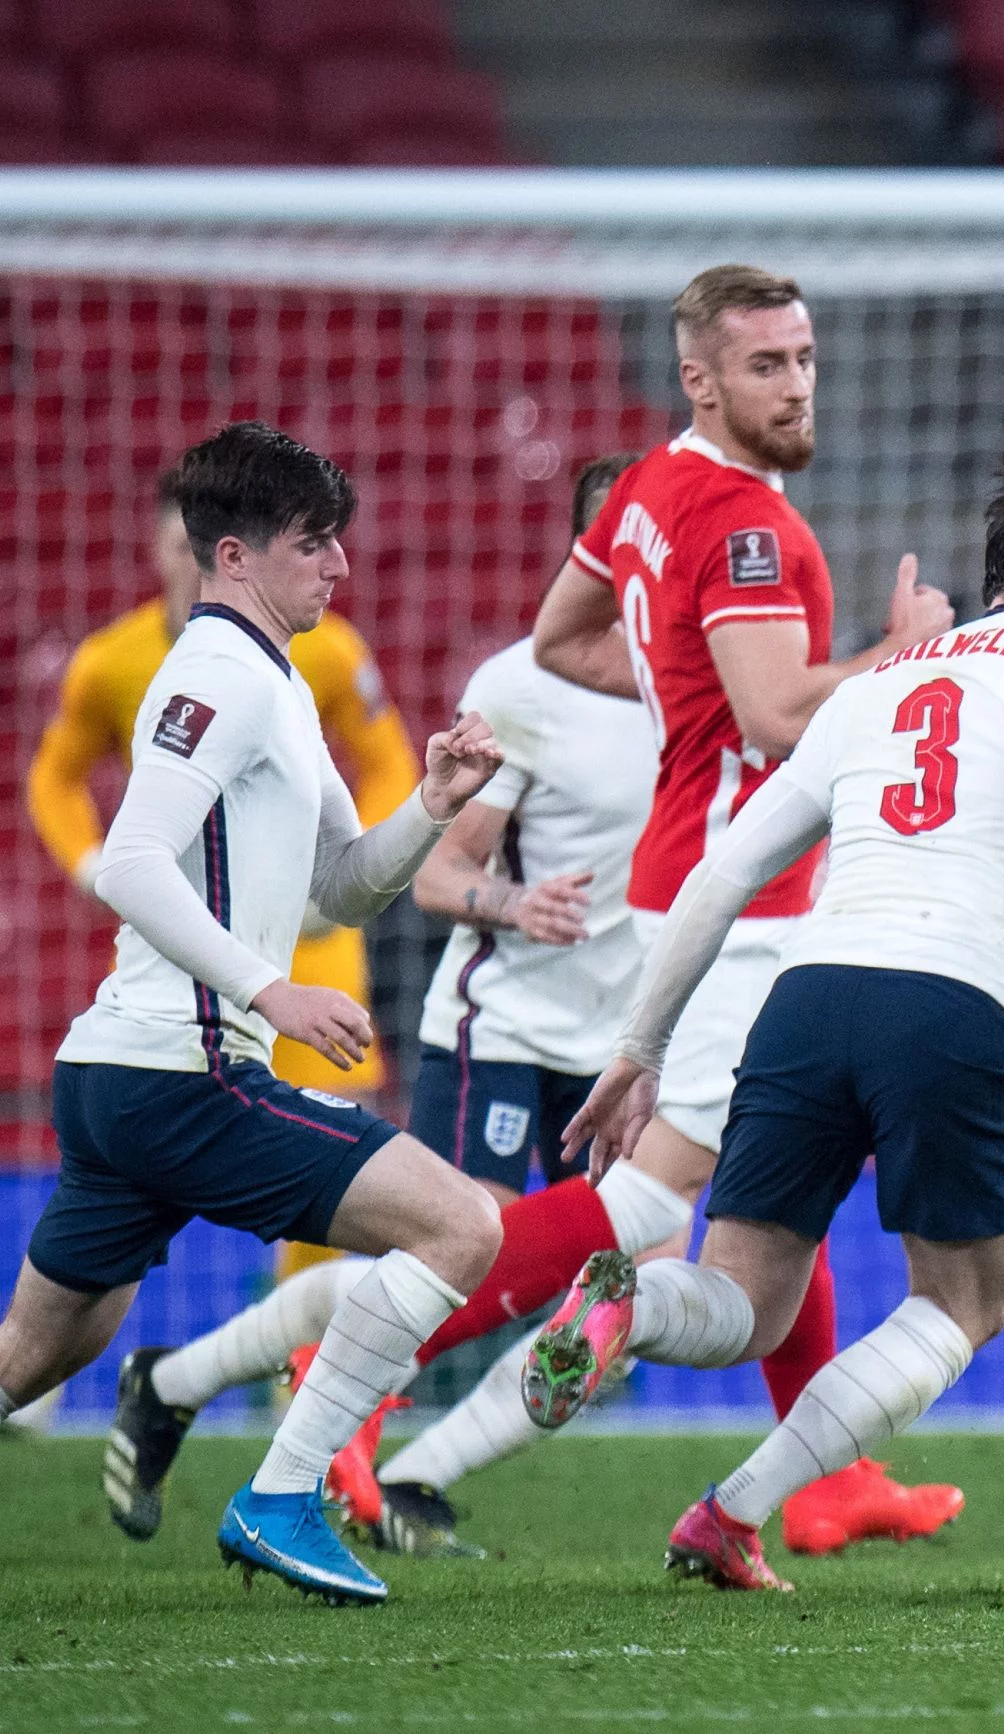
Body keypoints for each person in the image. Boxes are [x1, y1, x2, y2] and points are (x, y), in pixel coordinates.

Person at [0, 423, 506, 1611]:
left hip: (130, 1071)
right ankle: (284, 1495)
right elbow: (132, 863)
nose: (339, 569)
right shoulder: (211, 673)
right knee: (461, 1227)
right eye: (315, 545)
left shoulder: (280, 680)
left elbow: (343, 883)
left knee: (31, 1352)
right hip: (185, 1069)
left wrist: (432, 811)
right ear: (237, 555)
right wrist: (270, 990)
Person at [541, 449, 1004, 1592]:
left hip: (806, 1000)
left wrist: (639, 1048)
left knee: (742, 1303)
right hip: (951, 999)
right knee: (968, 1300)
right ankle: (735, 1504)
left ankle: (632, 1303)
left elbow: (726, 871)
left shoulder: (872, 686)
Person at [370, 262, 962, 1556]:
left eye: (805, 357)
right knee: (646, 1213)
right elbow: (774, 713)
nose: (797, 383)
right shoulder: (753, 528)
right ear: (701, 375)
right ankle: (355, 1378)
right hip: (746, 901)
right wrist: (910, 644)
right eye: (766, 364)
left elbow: (559, 638)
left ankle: (798, 1482)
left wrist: (669, 684)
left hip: (704, 891)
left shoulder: (644, 490)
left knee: (770, 1223)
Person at [104, 456, 657, 1560]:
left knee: (592, 1284)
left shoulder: (703, 686)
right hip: (498, 1027)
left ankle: (195, 1386)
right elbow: (441, 880)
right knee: (465, 1255)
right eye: (627, 544)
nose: (647, 566)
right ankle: (369, 1460)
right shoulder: (519, 687)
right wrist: (512, 900)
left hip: (617, 1040)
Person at [28, 465, 420, 1303]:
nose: (186, 561)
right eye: (176, 545)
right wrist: (91, 864)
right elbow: (53, 778)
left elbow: (389, 764)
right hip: (186, 950)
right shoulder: (112, 663)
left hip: (306, 947)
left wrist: (341, 863)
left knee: (336, 1160)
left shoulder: (322, 654)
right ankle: (61, 1360)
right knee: (137, 1172)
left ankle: (297, 1372)